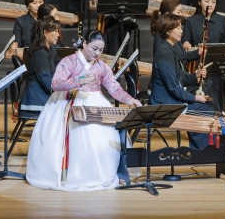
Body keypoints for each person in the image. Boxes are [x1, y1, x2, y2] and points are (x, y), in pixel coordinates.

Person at [26, 30, 141, 191]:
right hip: (69, 102)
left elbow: (113, 88)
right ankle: (68, 174)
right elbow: (56, 84)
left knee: (101, 141)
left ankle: (102, 173)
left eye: (101, 50)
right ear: (84, 43)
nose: (97, 53)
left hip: (95, 103)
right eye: (94, 48)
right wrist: (79, 81)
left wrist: (130, 100)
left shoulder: (102, 66)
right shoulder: (69, 62)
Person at [150, 13, 211, 149]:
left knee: (206, 108)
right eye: (178, 28)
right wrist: (195, 98)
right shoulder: (165, 53)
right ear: (167, 31)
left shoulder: (170, 49)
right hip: (164, 105)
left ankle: (202, 149)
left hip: (170, 101)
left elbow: (180, 78)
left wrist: (196, 76)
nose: (181, 31)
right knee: (204, 109)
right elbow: (173, 87)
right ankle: (200, 151)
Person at [181, 0, 225, 111]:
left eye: (213, 1)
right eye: (207, 1)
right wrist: (186, 44)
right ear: (199, 2)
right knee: (207, 83)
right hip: (199, 65)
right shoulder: (191, 21)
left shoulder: (222, 20)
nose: (210, 4)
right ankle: (208, 116)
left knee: (216, 80)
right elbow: (185, 42)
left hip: (216, 65)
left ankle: (219, 115)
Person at [19, 16, 61, 115]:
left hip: (42, 100)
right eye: (55, 31)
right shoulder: (40, 54)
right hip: (36, 104)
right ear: (45, 33)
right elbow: (47, 81)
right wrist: (67, 86)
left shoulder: (46, 52)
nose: (58, 35)